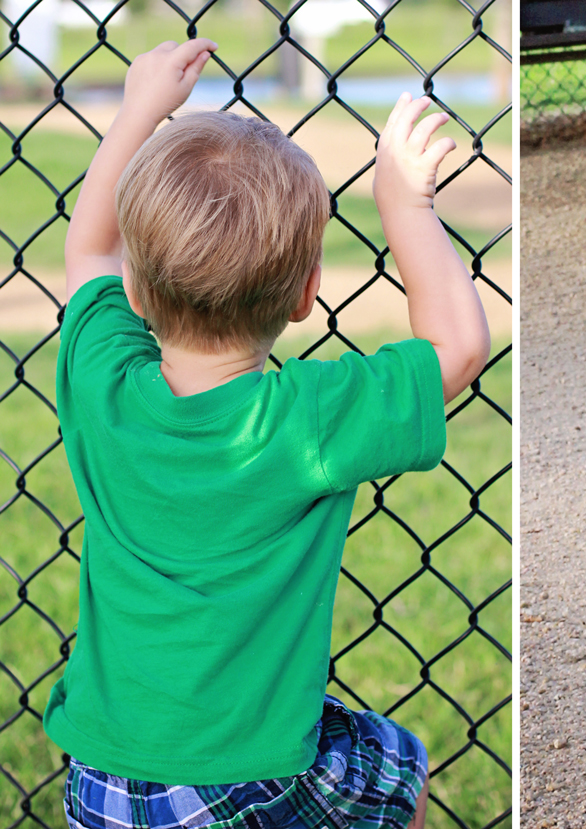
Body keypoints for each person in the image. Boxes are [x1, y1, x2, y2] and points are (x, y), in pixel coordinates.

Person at [43, 39, 490, 827]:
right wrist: (405, 206)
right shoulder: (306, 418)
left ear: (136, 291)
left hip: (102, 775)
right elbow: (457, 347)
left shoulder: (100, 381)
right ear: (307, 294)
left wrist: (140, 107)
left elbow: (87, 248)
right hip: (256, 775)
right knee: (398, 769)